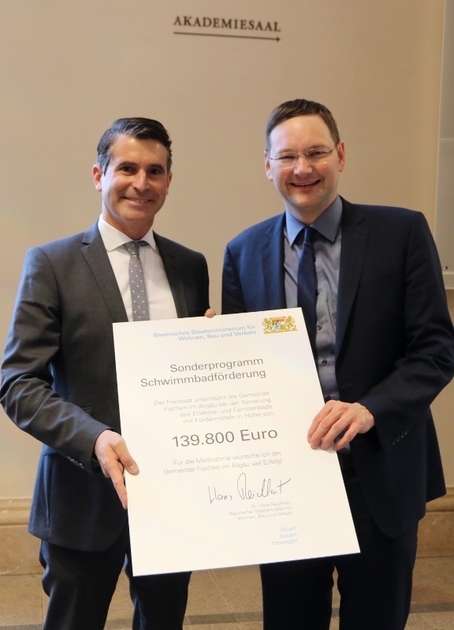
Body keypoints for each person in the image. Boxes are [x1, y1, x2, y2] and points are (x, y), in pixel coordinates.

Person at [222, 99, 454, 630]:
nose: (302, 168)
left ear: (341, 155)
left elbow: (436, 349)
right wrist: (217, 347)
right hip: (288, 482)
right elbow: (247, 370)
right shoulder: (242, 252)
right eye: (287, 157)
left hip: (380, 471)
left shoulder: (401, 233)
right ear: (267, 165)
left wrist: (370, 409)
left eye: (316, 152)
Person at [1, 117, 212, 630]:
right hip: (81, 498)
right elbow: (18, 383)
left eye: (155, 171)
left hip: (172, 499)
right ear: (99, 175)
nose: (142, 183)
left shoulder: (191, 266)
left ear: (168, 181)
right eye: (127, 168)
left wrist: (214, 354)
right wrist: (94, 438)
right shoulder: (51, 263)